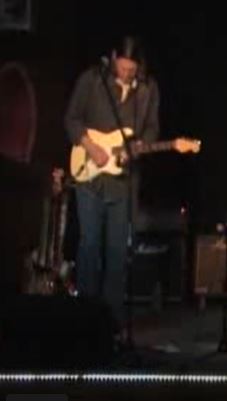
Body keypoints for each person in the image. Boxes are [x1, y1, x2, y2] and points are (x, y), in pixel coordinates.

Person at [64, 36, 159, 320]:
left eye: (132, 69)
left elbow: (151, 128)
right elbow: (71, 118)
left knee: (118, 251)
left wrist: (138, 147)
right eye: (123, 67)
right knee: (89, 245)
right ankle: (85, 317)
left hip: (123, 181)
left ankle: (112, 321)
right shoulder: (93, 80)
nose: (127, 73)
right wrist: (91, 147)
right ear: (114, 57)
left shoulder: (148, 89)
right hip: (89, 174)